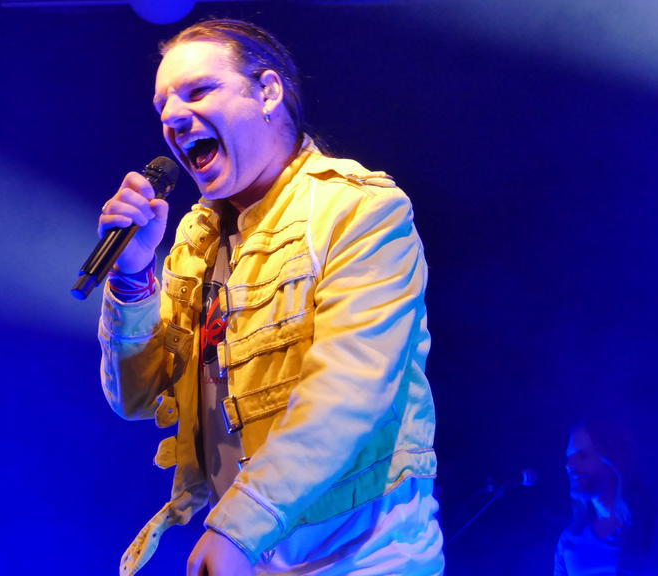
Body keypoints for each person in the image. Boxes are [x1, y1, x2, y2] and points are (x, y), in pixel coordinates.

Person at [96, 19, 443, 576]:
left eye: (198, 91)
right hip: (251, 554)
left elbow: (349, 391)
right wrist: (132, 275)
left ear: (268, 92)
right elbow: (134, 399)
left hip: (360, 560)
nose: (173, 117)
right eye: (162, 106)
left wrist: (239, 527)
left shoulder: (360, 211)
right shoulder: (196, 239)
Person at [555, 419, 658, 576]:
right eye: (569, 457)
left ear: (611, 459)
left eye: (582, 456)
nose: (569, 466)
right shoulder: (569, 539)